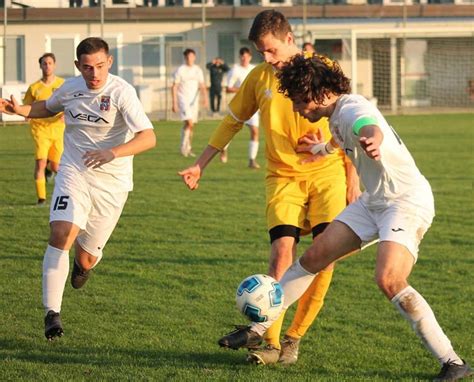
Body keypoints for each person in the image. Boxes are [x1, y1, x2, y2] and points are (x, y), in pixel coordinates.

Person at [221, 53, 472, 381]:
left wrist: (373, 139)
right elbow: (340, 138)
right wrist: (320, 150)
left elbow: (366, 124)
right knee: (314, 257)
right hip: (374, 202)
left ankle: (452, 362)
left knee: (388, 279)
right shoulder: (334, 114)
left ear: (318, 94)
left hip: (405, 202)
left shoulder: (354, 109)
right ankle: (258, 329)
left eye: (298, 101)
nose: (296, 109)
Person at [179, 10, 360, 365]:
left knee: (325, 260)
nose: (268, 59)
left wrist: (353, 178)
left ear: (289, 39)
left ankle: (293, 339)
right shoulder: (258, 78)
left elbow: (348, 119)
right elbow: (232, 122)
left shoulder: (323, 67)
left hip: (327, 173)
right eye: (262, 53)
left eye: (272, 51)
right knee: (281, 255)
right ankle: (271, 342)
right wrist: (199, 164)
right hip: (282, 178)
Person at [0, 37, 156, 341]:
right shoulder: (71, 88)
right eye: (87, 67)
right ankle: (52, 314)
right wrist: (18, 109)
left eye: (99, 66)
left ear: (109, 62)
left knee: (85, 258)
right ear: (77, 66)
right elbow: (47, 106)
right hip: (74, 172)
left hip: (112, 184)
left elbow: (148, 137)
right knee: (61, 232)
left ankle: (83, 267)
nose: (94, 73)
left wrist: (113, 152)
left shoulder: (122, 92)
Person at [23, 53, 65, 205]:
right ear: (40, 66)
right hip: (40, 129)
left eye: (50, 63)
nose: (47, 66)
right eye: (44, 63)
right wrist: (26, 114)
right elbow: (27, 106)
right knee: (40, 162)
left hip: (58, 129)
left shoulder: (62, 84)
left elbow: (71, 102)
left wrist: (66, 114)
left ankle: (50, 169)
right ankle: (41, 198)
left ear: (54, 65)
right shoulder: (34, 88)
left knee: (56, 166)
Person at [222, 47, 260, 168]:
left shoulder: (254, 69)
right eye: (242, 56)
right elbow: (228, 88)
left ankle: (252, 160)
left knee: (255, 131)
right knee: (231, 131)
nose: (245, 59)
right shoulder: (235, 70)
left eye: (247, 56)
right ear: (240, 57)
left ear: (250, 57)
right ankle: (223, 148)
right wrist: (243, 90)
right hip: (239, 106)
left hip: (253, 106)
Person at [172, 48, 208, 157]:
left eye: (192, 57)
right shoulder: (180, 70)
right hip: (183, 100)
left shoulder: (198, 70)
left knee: (191, 126)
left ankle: (188, 148)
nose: (190, 59)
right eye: (188, 57)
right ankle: (184, 147)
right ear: (185, 58)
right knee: (189, 123)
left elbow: (202, 85)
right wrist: (174, 102)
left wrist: (205, 98)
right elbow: (174, 86)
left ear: (194, 57)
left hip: (194, 101)